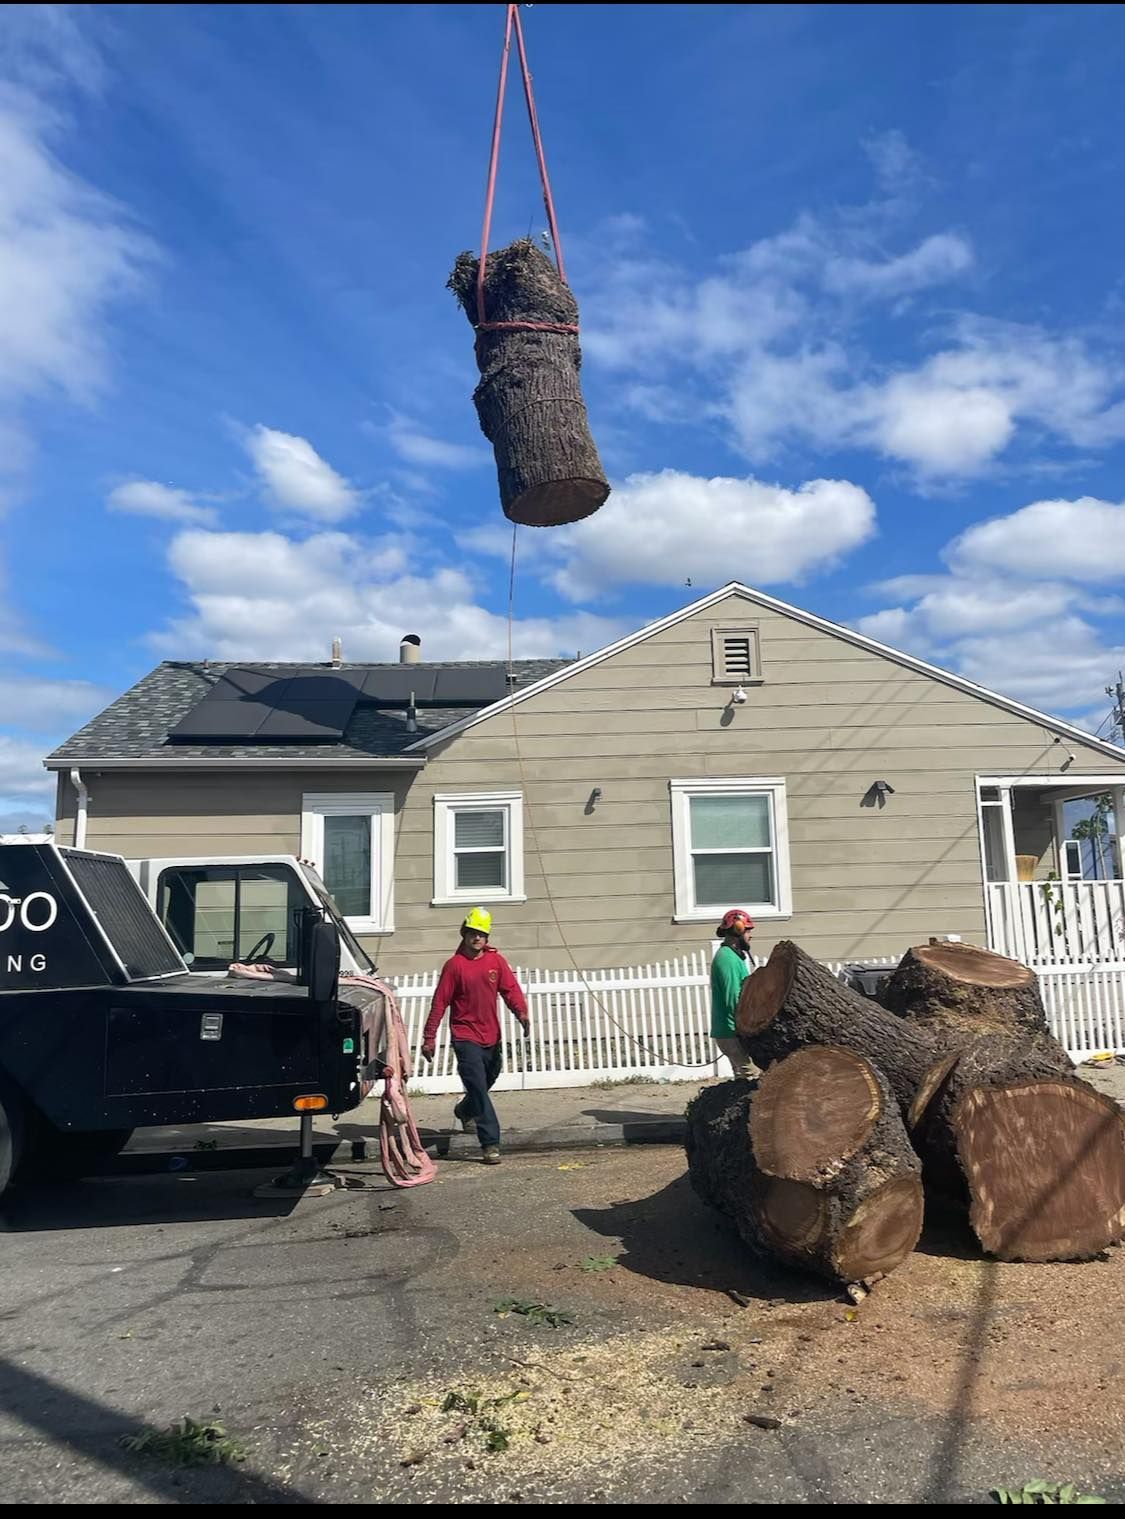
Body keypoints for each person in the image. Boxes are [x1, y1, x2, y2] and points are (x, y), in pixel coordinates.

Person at [421, 907, 530, 1165]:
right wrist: (429, 1037)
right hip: (465, 1035)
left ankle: (464, 1109)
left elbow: (510, 990)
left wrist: (522, 1013)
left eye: (481, 934)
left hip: (491, 1035)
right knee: (478, 1088)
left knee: (490, 1076)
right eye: (472, 933)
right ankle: (490, 1143)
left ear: (487, 937)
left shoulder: (496, 962)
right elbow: (440, 1002)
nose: (477, 938)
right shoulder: (454, 966)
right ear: (464, 934)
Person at [711, 908, 758, 1078]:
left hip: (731, 1030)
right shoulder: (727, 959)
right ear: (738, 929)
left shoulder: (733, 956)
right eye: (748, 930)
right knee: (752, 1076)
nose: (750, 935)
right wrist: (745, 1028)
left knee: (742, 1081)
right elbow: (733, 998)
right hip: (731, 1031)